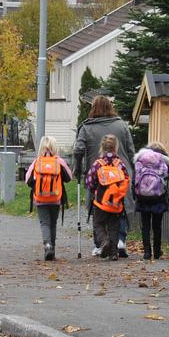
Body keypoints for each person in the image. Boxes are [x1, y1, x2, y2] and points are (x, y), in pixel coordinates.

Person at [73, 95, 135, 257]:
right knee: (118, 207)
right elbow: (130, 150)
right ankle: (120, 240)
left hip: (98, 176)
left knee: (97, 209)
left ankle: (100, 243)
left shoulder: (86, 127)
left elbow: (78, 149)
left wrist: (77, 168)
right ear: (110, 107)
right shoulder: (122, 125)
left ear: (93, 108)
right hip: (121, 174)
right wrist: (133, 170)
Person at [25, 135, 73, 261]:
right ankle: (53, 250)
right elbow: (69, 177)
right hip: (56, 199)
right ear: (54, 148)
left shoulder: (37, 162)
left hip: (40, 200)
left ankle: (47, 245)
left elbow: (27, 180)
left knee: (44, 223)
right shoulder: (59, 161)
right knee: (53, 223)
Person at [85, 134, 130, 260]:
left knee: (98, 224)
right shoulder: (119, 164)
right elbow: (126, 180)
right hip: (116, 202)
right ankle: (114, 253)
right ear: (116, 147)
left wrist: (96, 189)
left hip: (100, 202)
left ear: (102, 147)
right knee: (114, 227)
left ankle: (104, 242)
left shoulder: (98, 164)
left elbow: (89, 182)